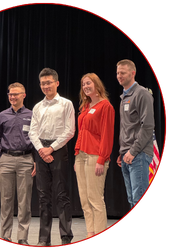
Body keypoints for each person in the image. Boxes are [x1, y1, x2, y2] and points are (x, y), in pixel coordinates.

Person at [28, 68, 75, 246]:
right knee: (43, 197)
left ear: (57, 83)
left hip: (59, 148)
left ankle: (65, 237)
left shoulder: (66, 104)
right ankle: (43, 238)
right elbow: (32, 131)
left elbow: (70, 131)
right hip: (41, 150)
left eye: (49, 82)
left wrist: (51, 148)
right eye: (43, 83)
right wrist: (42, 150)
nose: (46, 86)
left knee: (62, 195)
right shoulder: (38, 106)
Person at [74, 73, 115, 238]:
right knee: (84, 199)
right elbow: (82, 132)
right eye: (83, 84)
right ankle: (90, 234)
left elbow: (107, 135)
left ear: (97, 85)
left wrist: (102, 158)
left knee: (95, 199)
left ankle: (99, 233)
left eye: (88, 83)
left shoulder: (106, 106)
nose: (85, 87)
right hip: (81, 156)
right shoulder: (86, 107)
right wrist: (77, 153)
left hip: (95, 157)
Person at [0, 83, 36, 245]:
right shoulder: (2, 115)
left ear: (24, 95)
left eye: (16, 94)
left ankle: (22, 237)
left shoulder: (32, 115)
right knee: (6, 200)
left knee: (24, 201)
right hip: (6, 159)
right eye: (10, 94)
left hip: (26, 160)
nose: (12, 97)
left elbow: (35, 139)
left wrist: (36, 161)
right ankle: (5, 236)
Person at [116, 59, 154, 208]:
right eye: (118, 73)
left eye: (123, 73)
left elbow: (148, 126)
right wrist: (123, 151)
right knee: (132, 200)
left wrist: (132, 151)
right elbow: (127, 127)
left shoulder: (142, 93)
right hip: (127, 154)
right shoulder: (124, 96)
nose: (119, 76)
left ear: (133, 73)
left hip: (138, 154)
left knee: (138, 199)